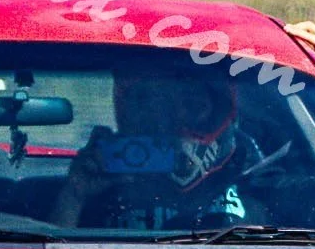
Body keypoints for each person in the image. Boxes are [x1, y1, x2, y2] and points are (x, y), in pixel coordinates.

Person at [48, 68, 271, 231]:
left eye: (191, 104)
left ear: (220, 109)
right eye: (148, 105)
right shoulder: (100, 189)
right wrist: (74, 196)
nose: (169, 123)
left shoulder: (261, 181)